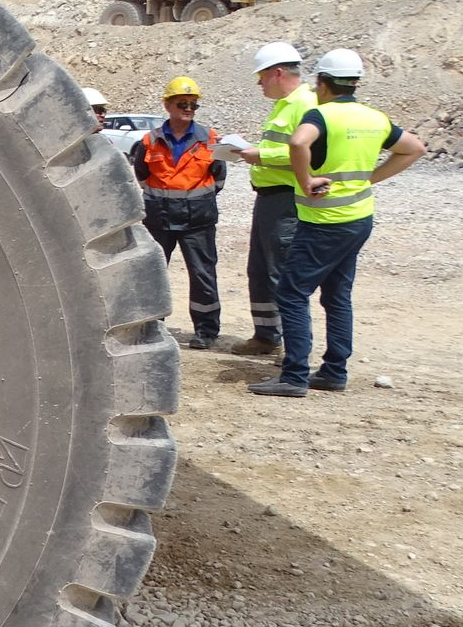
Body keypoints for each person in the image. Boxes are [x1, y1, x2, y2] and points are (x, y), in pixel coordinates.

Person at [249, 49, 426, 397]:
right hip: (359, 218)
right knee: (338, 295)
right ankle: (334, 371)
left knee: (292, 292)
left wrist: (305, 181)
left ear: (322, 83)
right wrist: (371, 178)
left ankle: (295, 375)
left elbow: (299, 143)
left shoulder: (322, 115)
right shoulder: (374, 117)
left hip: (323, 220)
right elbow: (414, 148)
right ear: (354, 83)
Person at [229, 42, 317, 355]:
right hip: (269, 200)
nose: (259, 83)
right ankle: (266, 336)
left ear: (278, 73)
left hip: (287, 200)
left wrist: (261, 155)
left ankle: (293, 348)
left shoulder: (306, 105)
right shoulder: (284, 105)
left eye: (262, 76)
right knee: (261, 269)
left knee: (281, 272)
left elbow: (305, 151)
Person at [130, 76, 226, 349]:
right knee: (154, 272)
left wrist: (194, 200)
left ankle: (206, 330)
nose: (188, 109)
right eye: (182, 103)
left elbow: (218, 178)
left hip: (198, 220)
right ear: (167, 105)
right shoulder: (150, 141)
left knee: (203, 274)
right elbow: (142, 175)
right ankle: (151, 325)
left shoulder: (209, 139)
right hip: (160, 218)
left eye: (193, 105)